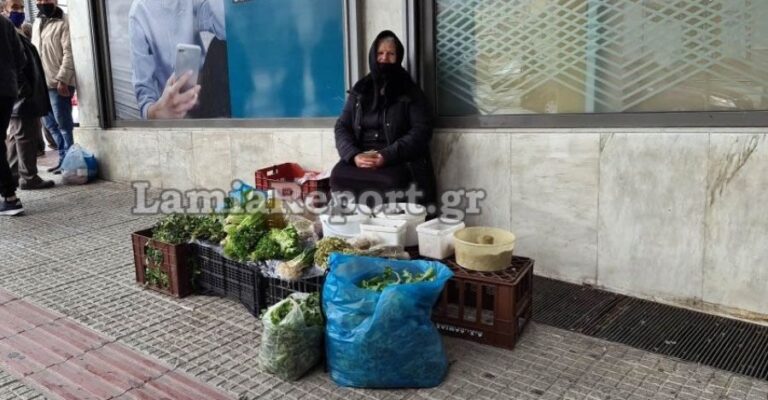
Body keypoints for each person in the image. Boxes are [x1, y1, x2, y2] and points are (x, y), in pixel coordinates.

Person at [332, 30, 437, 208]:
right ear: (373, 55)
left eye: (391, 54)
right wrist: (353, 155)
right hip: (362, 156)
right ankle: (355, 227)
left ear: (398, 57)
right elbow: (342, 126)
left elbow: (422, 130)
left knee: (390, 181)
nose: (384, 58)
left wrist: (386, 156)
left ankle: (388, 230)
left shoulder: (410, 91)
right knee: (338, 175)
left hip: (397, 158)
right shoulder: (360, 89)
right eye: (380, 53)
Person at [128, 0, 226, 120]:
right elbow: (145, 101)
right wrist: (160, 111)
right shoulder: (139, 12)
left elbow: (228, 28)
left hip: (205, 93)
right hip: (173, 110)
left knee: (220, 46)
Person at [3, 0, 54, 190]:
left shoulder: (18, 31)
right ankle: (29, 177)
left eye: (22, 7)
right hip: (21, 96)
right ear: (4, 11)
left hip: (20, 95)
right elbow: (17, 64)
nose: (20, 11)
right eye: (14, 8)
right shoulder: (8, 31)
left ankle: (14, 175)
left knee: (16, 137)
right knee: (25, 137)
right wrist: (24, 91)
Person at [32, 0, 75, 174]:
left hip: (59, 83)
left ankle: (70, 162)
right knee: (50, 125)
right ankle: (63, 158)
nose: (43, 2)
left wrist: (63, 79)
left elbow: (69, 52)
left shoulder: (64, 21)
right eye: (39, 0)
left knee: (63, 124)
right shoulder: (37, 22)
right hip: (41, 84)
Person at [0, 13, 26, 215]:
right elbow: (21, 58)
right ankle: (9, 195)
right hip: (7, 90)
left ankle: (10, 196)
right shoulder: (6, 24)